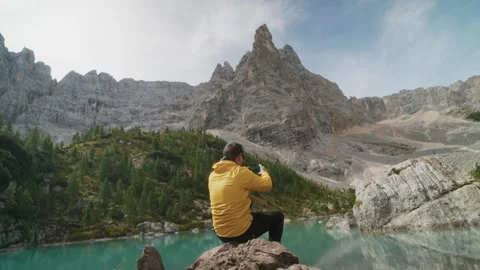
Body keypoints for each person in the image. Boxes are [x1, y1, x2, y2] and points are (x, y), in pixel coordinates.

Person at [208, 142, 284, 244]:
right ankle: (275, 249)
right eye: (242, 156)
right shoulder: (240, 172)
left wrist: (247, 170)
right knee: (278, 217)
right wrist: (264, 172)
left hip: (221, 233)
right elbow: (267, 185)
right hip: (239, 233)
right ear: (239, 157)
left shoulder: (213, 175)